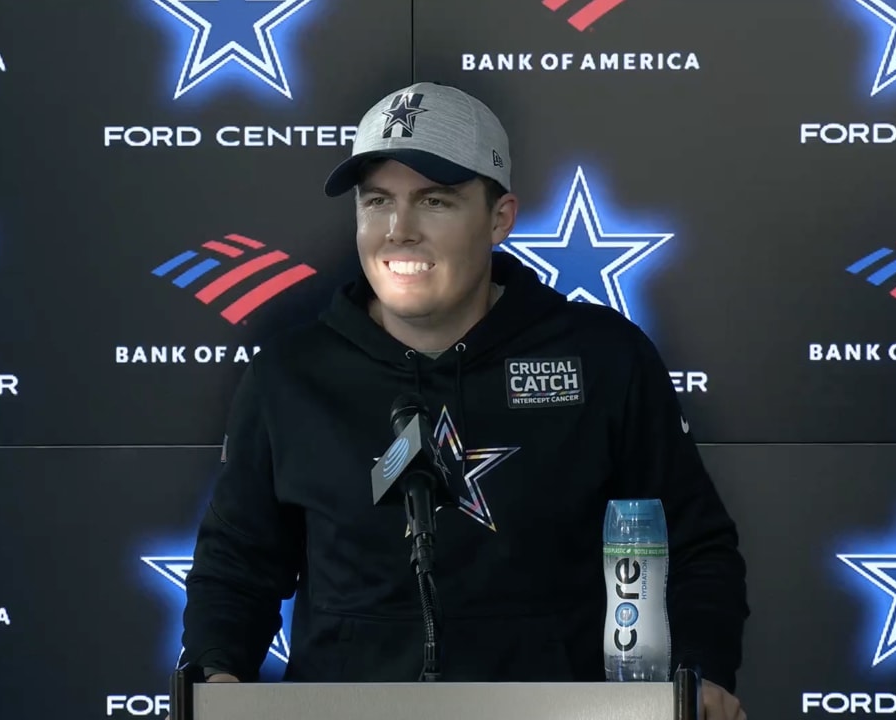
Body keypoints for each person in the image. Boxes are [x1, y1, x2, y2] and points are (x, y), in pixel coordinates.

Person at [180, 82, 749, 720]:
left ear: (500, 217)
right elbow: (237, 564)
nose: (400, 231)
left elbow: (695, 546)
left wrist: (699, 675)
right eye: (377, 201)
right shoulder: (289, 374)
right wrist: (217, 678)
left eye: (434, 201)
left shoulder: (604, 357)